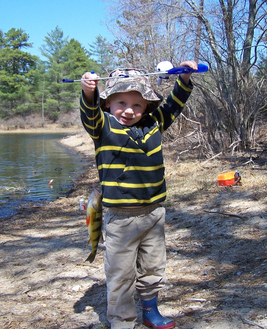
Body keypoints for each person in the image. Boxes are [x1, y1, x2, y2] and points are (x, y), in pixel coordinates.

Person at [80, 61, 197, 329]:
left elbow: (174, 105)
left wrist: (186, 77)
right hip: (121, 220)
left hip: (155, 214)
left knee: (154, 268)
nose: (128, 110)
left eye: (137, 104)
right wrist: (88, 92)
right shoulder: (103, 127)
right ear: (107, 103)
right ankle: (122, 321)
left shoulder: (154, 123)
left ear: (146, 106)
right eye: (120, 102)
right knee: (121, 275)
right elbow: (89, 115)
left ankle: (150, 311)